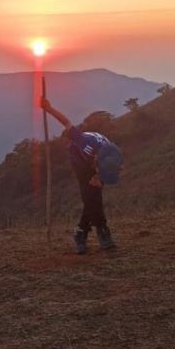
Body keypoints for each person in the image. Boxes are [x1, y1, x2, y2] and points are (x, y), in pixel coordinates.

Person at [38, 98, 123, 254]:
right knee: (90, 196)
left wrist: (100, 176)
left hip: (98, 162)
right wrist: (49, 108)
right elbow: (66, 122)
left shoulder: (114, 154)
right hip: (79, 163)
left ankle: (81, 232)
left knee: (94, 198)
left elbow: (116, 169)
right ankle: (102, 232)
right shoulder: (85, 142)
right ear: (96, 160)